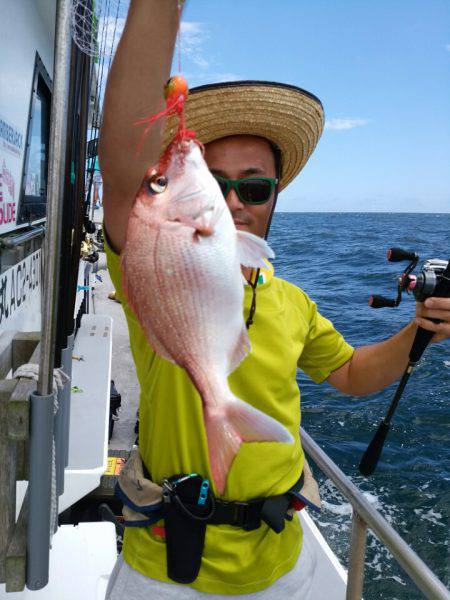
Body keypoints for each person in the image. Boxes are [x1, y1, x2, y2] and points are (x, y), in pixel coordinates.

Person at [99, 2, 450, 598]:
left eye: (255, 186)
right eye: (217, 180)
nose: (235, 201)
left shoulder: (291, 301)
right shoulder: (151, 259)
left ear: (275, 198)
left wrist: (420, 330)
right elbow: (123, 160)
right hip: (165, 571)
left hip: (286, 565)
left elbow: (351, 373)